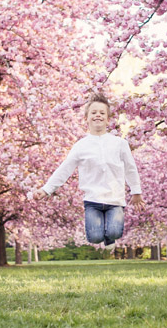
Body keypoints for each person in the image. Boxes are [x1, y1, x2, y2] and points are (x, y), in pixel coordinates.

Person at [31, 93, 144, 249]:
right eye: (94, 112)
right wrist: (46, 190)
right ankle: (101, 235)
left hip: (115, 200)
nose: (98, 115)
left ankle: (110, 238)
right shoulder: (81, 146)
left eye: (102, 113)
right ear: (86, 118)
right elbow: (65, 169)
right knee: (95, 237)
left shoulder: (119, 144)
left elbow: (131, 168)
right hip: (92, 200)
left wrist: (136, 191)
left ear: (108, 118)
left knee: (114, 232)